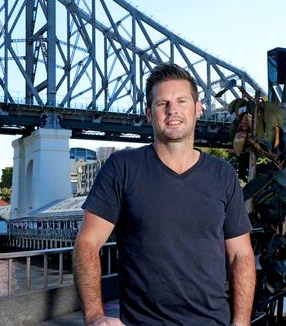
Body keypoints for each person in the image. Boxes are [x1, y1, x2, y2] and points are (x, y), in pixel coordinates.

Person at [74, 63, 256, 326]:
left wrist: (242, 323)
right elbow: (87, 244)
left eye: (182, 101)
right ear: (149, 114)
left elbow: (241, 254)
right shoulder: (122, 168)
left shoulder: (223, 174)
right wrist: (94, 316)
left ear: (197, 109)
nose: (173, 110)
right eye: (163, 103)